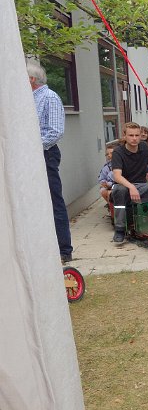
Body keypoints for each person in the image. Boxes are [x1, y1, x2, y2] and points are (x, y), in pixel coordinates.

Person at [27, 56, 73, 263]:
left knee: (54, 201)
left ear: (31, 79)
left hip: (45, 155)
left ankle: (64, 250)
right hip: (30, 156)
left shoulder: (49, 97)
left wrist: (32, 148)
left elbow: (55, 132)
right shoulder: (27, 99)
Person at [111, 121, 148, 243]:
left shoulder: (144, 147)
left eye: (137, 135)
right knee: (119, 190)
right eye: (131, 135)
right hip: (125, 186)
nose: (134, 138)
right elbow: (117, 176)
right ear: (125, 136)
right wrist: (131, 187)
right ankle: (120, 229)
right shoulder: (118, 152)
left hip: (143, 185)